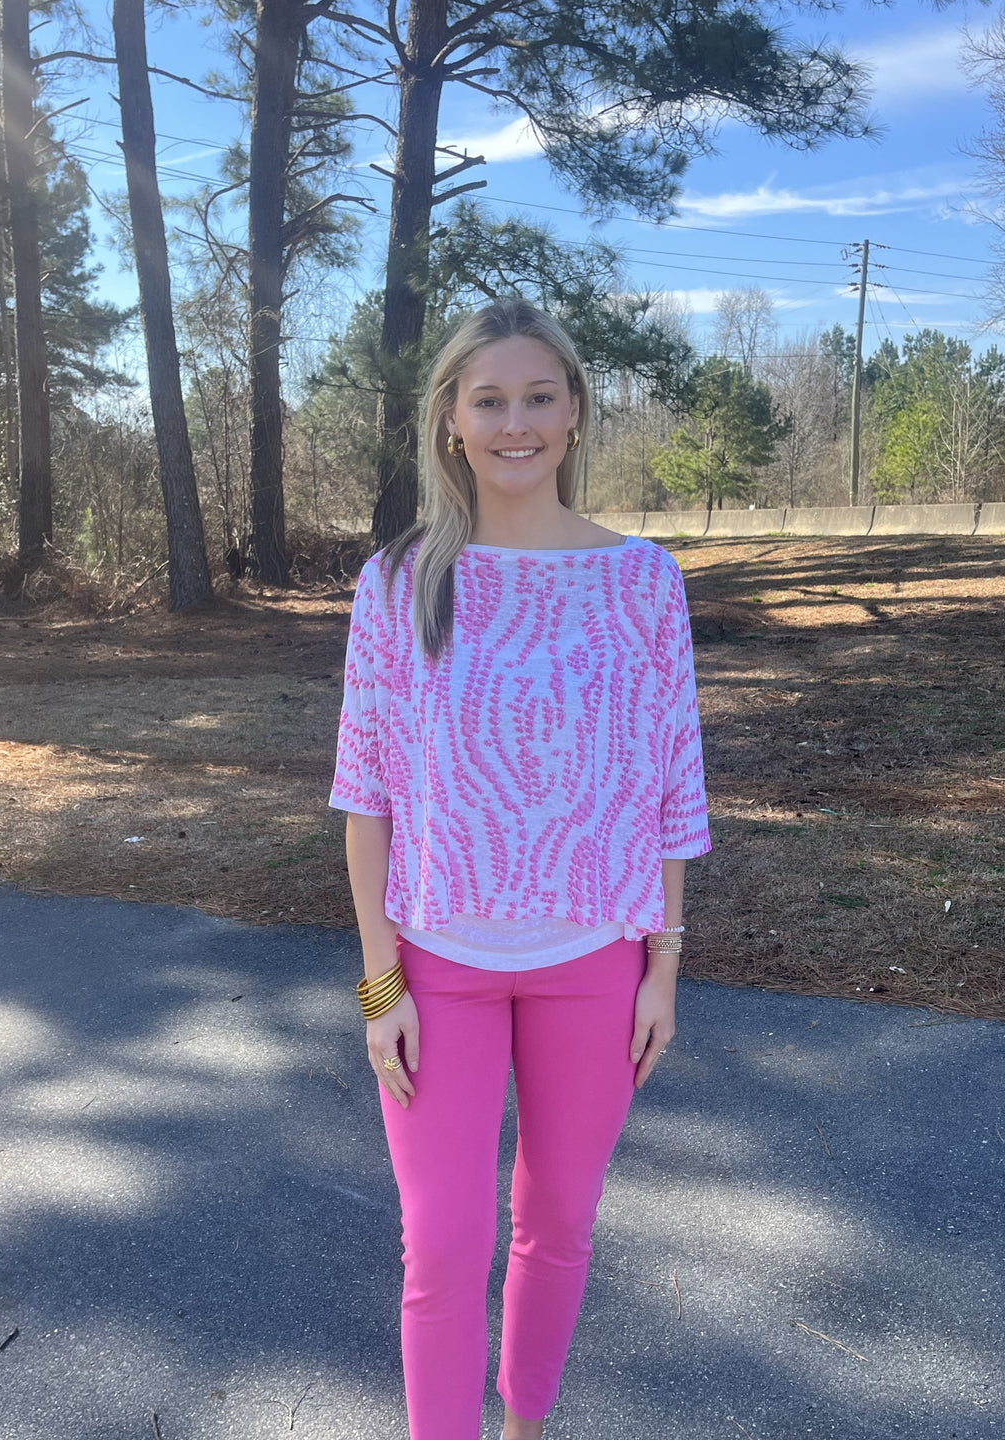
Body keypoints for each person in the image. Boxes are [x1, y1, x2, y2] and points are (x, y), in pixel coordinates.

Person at [329, 299, 709, 1440]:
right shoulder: (396, 582)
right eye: (488, 399)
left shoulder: (644, 581)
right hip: (436, 967)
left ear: (577, 411)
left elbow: (671, 787)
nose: (515, 422)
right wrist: (380, 984)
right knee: (443, 1244)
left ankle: (525, 1427)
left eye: (538, 396)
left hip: (594, 963)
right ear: (450, 420)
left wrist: (664, 968)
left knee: (559, 1224)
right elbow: (366, 794)